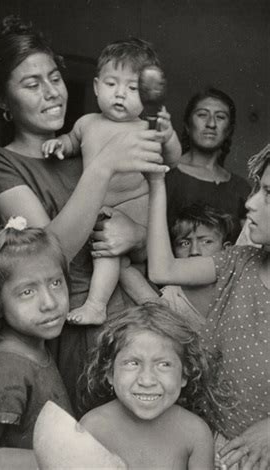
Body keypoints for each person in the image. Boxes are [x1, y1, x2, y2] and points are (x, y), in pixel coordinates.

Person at [0, 16, 168, 415]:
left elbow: (150, 218)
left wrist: (138, 233)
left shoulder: (81, 149)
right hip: (73, 331)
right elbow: (47, 254)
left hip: (128, 317)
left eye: (55, 79)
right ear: (0, 99)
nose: (52, 94)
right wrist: (103, 169)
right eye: (32, 85)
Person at [147, 144, 270, 470]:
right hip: (212, 444)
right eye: (257, 189)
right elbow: (163, 270)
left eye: (268, 194)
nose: (250, 203)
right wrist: (157, 185)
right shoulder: (239, 261)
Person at [42, 38, 181, 325]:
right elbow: (72, 142)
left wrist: (168, 136)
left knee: (111, 254)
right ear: (95, 87)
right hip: (102, 208)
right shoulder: (86, 123)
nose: (120, 94)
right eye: (111, 84)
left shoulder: (146, 127)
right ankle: (155, 307)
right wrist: (59, 145)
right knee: (116, 259)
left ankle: (96, 305)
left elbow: (173, 160)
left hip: (135, 204)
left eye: (132, 88)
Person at [80, 302, 233, 470]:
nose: (147, 380)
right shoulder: (92, 428)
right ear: (109, 372)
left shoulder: (196, 433)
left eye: (164, 365)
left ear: (185, 374)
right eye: (132, 363)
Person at [0, 218, 73, 449]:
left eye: (55, 283)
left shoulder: (35, 350)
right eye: (27, 292)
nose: (49, 302)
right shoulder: (8, 369)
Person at [120, 203, 234, 328]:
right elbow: (124, 267)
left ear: (226, 249)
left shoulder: (239, 287)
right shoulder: (169, 298)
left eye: (206, 241)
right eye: (184, 243)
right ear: (172, 251)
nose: (194, 251)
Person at [166, 88, 251, 242]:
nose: (211, 124)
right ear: (187, 125)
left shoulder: (241, 188)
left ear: (229, 130)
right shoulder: (166, 175)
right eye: (202, 115)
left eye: (220, 117)